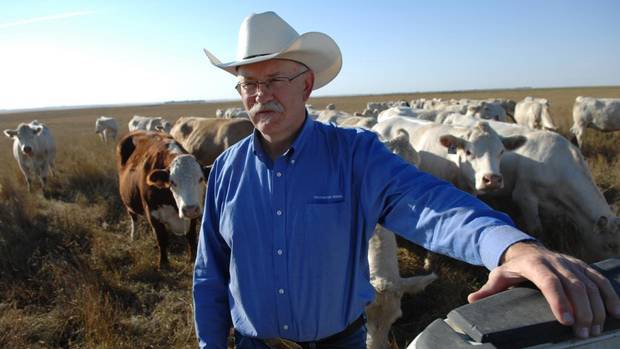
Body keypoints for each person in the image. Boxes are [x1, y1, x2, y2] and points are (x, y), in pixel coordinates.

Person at [193, 11, 620, 349]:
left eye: (275, 80)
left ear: (306, 85)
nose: (260, 94)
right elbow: (210, 271)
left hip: (338, 344)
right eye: (248, 83)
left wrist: (510, 247)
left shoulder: (355, 155)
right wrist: (212, 344)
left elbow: (430, 204)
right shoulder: (227, 170)